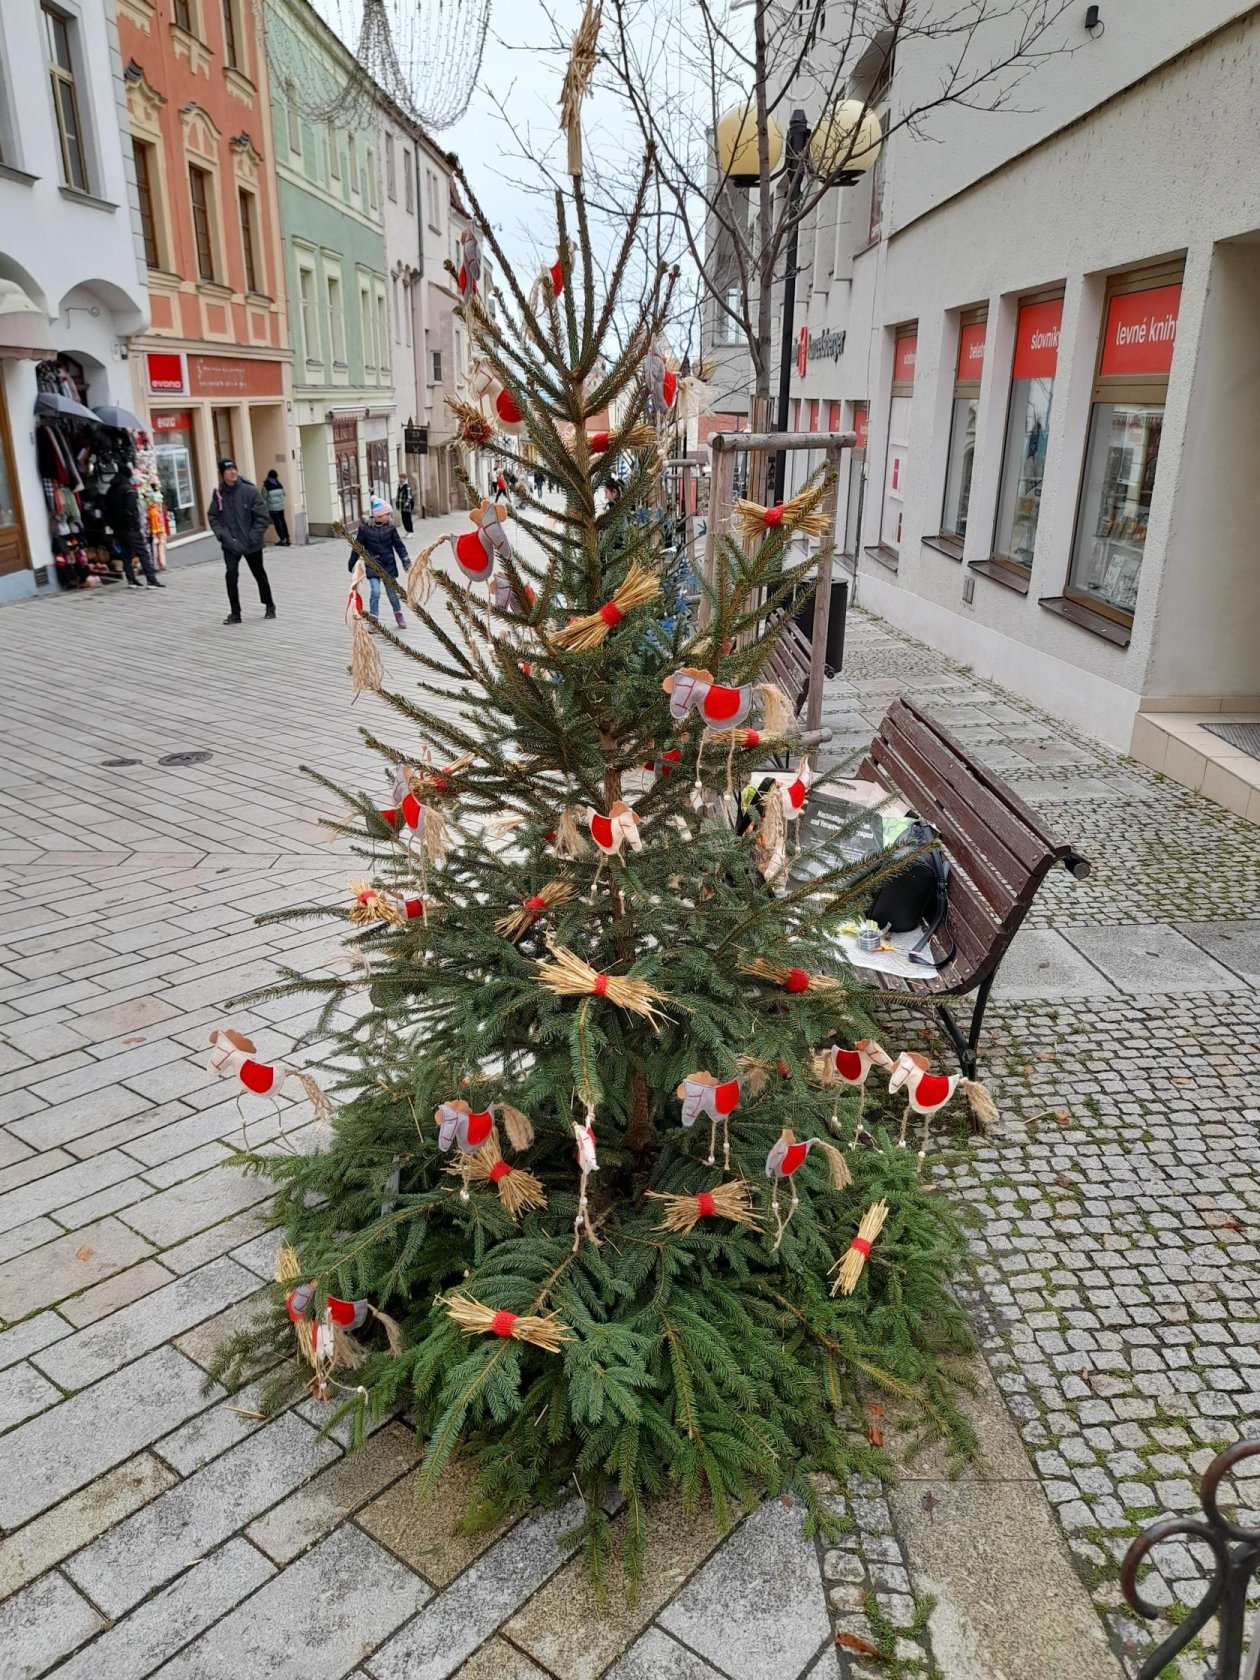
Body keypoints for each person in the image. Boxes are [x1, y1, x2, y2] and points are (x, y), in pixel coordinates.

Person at [208, 458, 274, 625]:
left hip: (252, 543)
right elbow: (213, 516)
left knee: (259, 574)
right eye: (228, 470)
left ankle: (269, 605)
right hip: (230, 543)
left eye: (234, 469)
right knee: (231, 575)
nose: (232, 473)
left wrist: (252, 537)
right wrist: (222, 535)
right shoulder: (219, 494)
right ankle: (235, 613)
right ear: (222, 474)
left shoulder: (249, 491)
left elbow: (262, 517)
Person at [348, 497, 409, 629]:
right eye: (387, 514)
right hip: (373, 565)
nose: (389, 516)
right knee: (375, 592)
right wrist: (352, 562)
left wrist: (406, 561)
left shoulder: (390, 528)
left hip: (388, 566)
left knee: (391, 593)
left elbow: (399, 546)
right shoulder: (365, 529)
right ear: (379, 515)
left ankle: (398, 613)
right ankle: (373, 619)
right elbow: (357, 546)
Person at [103, 465, 164, 590]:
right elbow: (132, 511)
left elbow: (107, 510)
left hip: (117, 528)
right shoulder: (128, 490)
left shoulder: (110, 490)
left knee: (126, 554)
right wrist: (135, 526)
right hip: (130, 528)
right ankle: (151, 580)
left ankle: (131, 579)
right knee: (143, 553)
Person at [263, 470, 290, 546]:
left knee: (277, 524)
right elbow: (284, 493)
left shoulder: (266, 485)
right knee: (283, 522)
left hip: (272, 508)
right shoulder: (279, 484)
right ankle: (287, 538)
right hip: (281, 507)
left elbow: (263, 496)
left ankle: (282, 540)